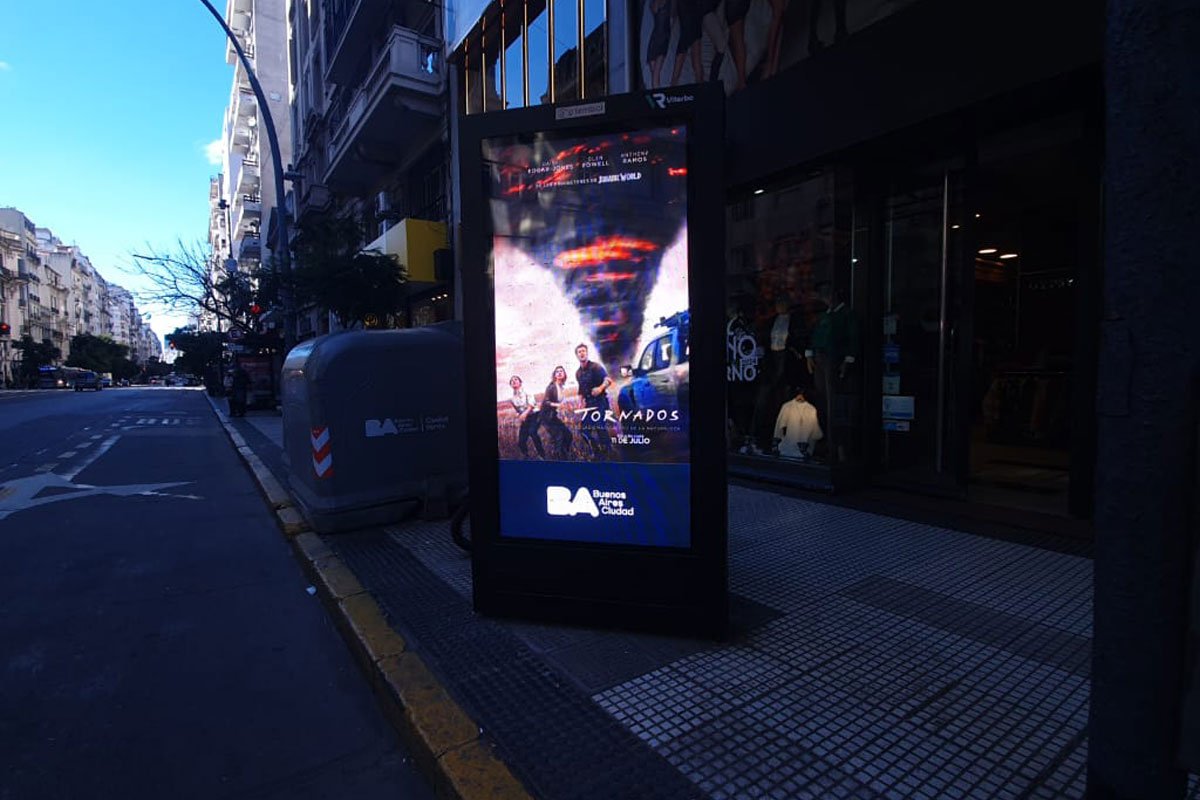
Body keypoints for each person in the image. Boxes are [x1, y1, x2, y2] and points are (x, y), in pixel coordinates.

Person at [574, 343, 613, 459]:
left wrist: (600, 388)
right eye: (579, 352)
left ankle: (609, 452)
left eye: (583, 351)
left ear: (587, 353)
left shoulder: (595, 367)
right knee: (584, 431)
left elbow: (608, 380)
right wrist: (580, 402)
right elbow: (581, 390)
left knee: (599, 426)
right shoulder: (578, 373)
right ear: (577, 355)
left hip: (600, 401)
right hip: (589, 405)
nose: (582, 353)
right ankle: (597, 452)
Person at [773, 384, 823, 459]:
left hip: (799, 453)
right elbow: (778, 429)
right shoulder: (787, 407)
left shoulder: (811, 410)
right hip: (787, 451)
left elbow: (816, 435)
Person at [540, 365, 573, 459]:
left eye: (561, 371)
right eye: (557, 372)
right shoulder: (551, 387)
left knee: (568, 435)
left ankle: (564, 454)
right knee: (559, 436)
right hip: (546, 417)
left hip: (553, 416)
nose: (559, 373)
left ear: (564, 374)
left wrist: (565, 409)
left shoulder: (561, 387)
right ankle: (559, 458)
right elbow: (546, 402)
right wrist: (558, 405)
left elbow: (560, 403)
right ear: (554, 375)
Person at [509, 375, 546, 459]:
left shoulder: (527, 391)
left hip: (535, 414)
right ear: (510, 385)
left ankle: (542, 455)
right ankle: (526, 457)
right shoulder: (512, 398)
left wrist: (524, 414)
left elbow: (532, 405)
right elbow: (518, 410)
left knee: (532, 432)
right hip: (526, 418)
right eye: (512, 381)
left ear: (520, 382)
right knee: (521, 440)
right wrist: (519, 415)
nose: (514, 381)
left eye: (516, 379)